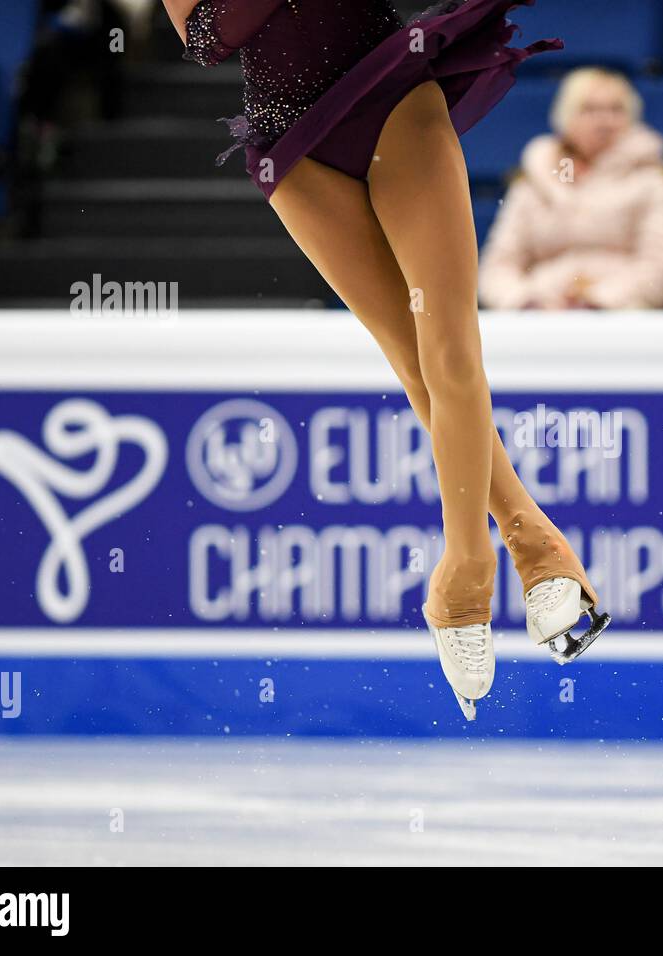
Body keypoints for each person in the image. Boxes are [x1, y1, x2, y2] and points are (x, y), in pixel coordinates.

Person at [163, 0, 610, 721]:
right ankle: (536, 543)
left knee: (450, 348)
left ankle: (466, 573)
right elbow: (209, 36)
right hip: (293, 145)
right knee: (411, 359)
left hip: (391, 91)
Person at [478, 67, 663, 310]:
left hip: (623, 322)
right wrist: (525, 302)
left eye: (616, 109)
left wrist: (598, 301)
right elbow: (498, 266)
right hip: (540, 321)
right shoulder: (531, 184)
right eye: (589, 109)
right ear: (565, 118)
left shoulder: (656, 183)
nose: (605, 120)